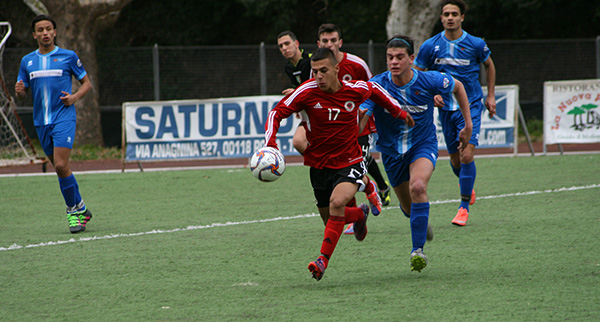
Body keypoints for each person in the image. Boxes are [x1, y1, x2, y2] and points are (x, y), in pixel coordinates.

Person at [265, 47, 414, 281]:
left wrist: (399, 112)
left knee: (336, 203)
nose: (318, 77)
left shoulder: (354, 89)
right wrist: (270, 144)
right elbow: (276, 113)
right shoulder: (307, 91)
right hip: (319, 165)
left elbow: (376, 91)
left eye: (324, 71)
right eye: (314, 72)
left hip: (349, 160)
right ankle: (358, 214)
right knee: (331, 220)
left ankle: (321, 261)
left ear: (336, 69)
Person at [360, 35, 472, 272]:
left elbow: (459, 87)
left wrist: (468, 125)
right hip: (391, 153)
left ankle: (417, 251)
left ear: (411, 59)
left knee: (418, 187)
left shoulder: (430, 80)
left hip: (423, 145)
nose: (394, 62)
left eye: (400, 57)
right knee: (409, 207)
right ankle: (418, 220)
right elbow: (362, 118)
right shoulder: (377, 85)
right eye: (390, 57)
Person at [414, 0, 496, 226]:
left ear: (462, 18)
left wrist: (490, 95)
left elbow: (489, 65)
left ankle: (463, 207)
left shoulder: (476, 44)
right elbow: (417, 75)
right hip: (445, 110)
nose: (450, 17)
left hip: (470, 106)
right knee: (455, 159)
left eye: (454, 14)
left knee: (467, 155)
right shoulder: (430, 46)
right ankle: (467, 186)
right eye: (446, 14)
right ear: (441, 18)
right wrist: (430, 95)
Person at [15, 14, 92, 234]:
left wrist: (74, 98)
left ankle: (73, 214)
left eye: (48, 29)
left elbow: (87, 83)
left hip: (63, 117)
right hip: (41, 122)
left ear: (55, 32)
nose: (45, 33)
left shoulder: (68, 56)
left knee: (59, 165)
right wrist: (19, 93)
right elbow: (23, 92)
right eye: (40, 30)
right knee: (62, 169)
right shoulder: (27, 61)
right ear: (34, 35)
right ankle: (82, 208)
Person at [277, 31, 312, 96]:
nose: (284, 48)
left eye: (287, 43)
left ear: (296, 44)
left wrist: (296, 92)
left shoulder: (312, 59)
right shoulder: (288, 68)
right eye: (280, 46)